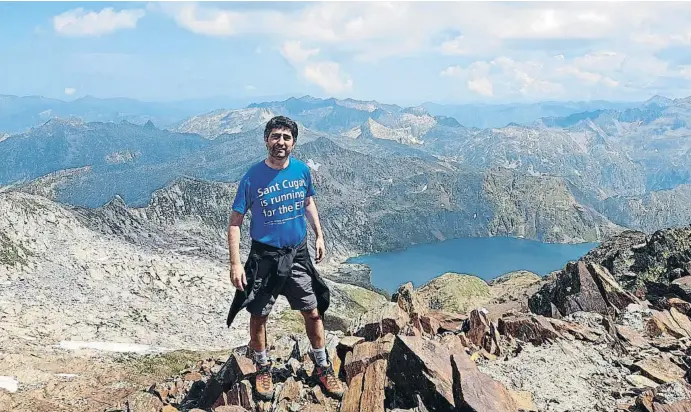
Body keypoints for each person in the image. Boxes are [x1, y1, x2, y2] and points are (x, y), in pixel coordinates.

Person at [225, 115, 345, 401]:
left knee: (313, 310)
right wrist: (235, 263)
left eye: (286, 138)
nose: (281, 142)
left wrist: (319, 234)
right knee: (259, 314)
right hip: (265, 257)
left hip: (297, 254)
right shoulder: (252, 177)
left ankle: (322, 365)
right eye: (275, 136)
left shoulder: (302, 171)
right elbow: (235, 222)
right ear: (266, 140)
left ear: (294, 143)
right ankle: (263, 367)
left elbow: (308, 202)